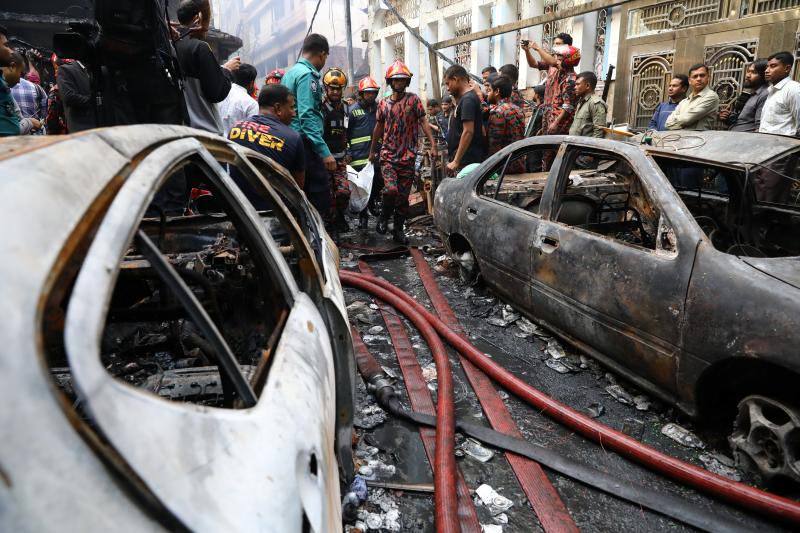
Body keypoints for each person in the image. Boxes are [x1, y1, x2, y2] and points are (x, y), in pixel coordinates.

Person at [367, 60, 437, 244]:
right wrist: (372, 151)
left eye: (402, 80)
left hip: (408, 157)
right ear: (390, 82)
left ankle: (398, 230)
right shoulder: (383, 104)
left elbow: (423, 122)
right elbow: (378, 129)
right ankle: (383, 217)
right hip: (388, 156)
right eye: (395, 80)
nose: (399, 83)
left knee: (403, 199)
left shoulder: (413, 100)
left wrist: (433, 145)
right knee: (391, 190)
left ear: (407, 82)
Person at [282, 33, 334, 218]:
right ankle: (319, 240)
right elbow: (307, 115)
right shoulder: (307, 76)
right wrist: (324, 151)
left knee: (297, 191)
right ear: (321, 54)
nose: (324, 61)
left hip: (290, 139)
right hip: (305, 142)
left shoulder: (291, 72)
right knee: (319, 192)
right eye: (325, 57)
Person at [228, 84, 305, 208]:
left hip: (239, 209)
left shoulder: (236, 128)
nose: (294, 113)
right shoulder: (293, 138)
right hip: (276, 214)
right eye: (291, 107)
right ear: (278, 108)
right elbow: (298, 188)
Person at [174, 0, 239, 135]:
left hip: (181, 131)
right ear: (197, 19)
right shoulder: (199, 47)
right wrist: (226, 70)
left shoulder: (171, 45)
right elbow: (217, 92)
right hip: (205, 132)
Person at [348, 76, 380, 229]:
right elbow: (346, 134)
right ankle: (363, 216)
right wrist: (348, 151)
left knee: (378, 181)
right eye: (367, 93)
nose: (371, 96)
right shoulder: (352, 111)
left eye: (373, 92)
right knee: (361, 187)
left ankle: (373, 202)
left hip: (376, 154)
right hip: (358, 156)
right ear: (361, 94)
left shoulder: (380, 109)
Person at [321, 67, 351, 233]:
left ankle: (340, 215)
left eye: (337, 88)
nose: (334, 91)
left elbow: (347, 132)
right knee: (327, 194)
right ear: (326, 89)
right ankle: (330, 222)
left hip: (340, 160)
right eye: (331, 88)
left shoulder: (346, 108)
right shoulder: (320, 109)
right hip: (323, 160)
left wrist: (349, 152)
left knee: (343, 192)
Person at [443, 64, 486, 175]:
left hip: (467, 161)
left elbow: (468, 131)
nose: (447, 88)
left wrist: (456, 161)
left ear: (456, 79)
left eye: (448, 83)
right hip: (465, 159)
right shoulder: (466, 99)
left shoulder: (468, 100)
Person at [486, 74, 525, 173]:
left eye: (489, 90)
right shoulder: (518, 109)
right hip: (519, 162)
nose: (487, 94)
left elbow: (494, 145)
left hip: (503, 166)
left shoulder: (498, 112)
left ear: (497, 92)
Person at [665, 64, 719, 130]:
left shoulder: (711, 96)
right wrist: (683, 120)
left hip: (700, 139)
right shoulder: (684, 101)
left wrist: (676, 119)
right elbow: (667, 124)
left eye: (702, 75)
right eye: (695, 76)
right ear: (690, 81)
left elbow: (687, 119)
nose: (698, 79)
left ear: (708, 77)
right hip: (679, 138)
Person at [759, 51, 800, 136]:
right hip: (765, 144)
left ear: (787, 68)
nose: (766, 71)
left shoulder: (793, 89)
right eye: (767, 67)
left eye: (773, 66)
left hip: (784, 146)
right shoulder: (772, 90)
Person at [2, 51, 41, 135]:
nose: (19, 80)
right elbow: (12, 130)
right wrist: (30, 122)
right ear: (12, 67)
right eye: (20, 73)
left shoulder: (5, 90)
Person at [10, 52, 47, 135]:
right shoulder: (37, 88)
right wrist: (33, 123)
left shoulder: (6, 90)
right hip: (34, 137)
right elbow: (44, 116)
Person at [57, 57, 95, 132]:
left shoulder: (98, 70)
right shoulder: (66, 69)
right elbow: (69, 97)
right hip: (81, 128)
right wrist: (96, 101)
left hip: (101, 125)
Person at [219, 63, 258, 134]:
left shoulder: (220, 92)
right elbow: (251, 133)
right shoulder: (251, 104)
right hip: (236, 144)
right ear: (252, 83)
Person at [569, 71, 607, 138]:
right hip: (574, 144)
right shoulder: (581, 102)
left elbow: (599, 133)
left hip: (584, 147)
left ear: (587, 86)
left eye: (578, 84)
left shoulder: (595, 103)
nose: (575, 87)